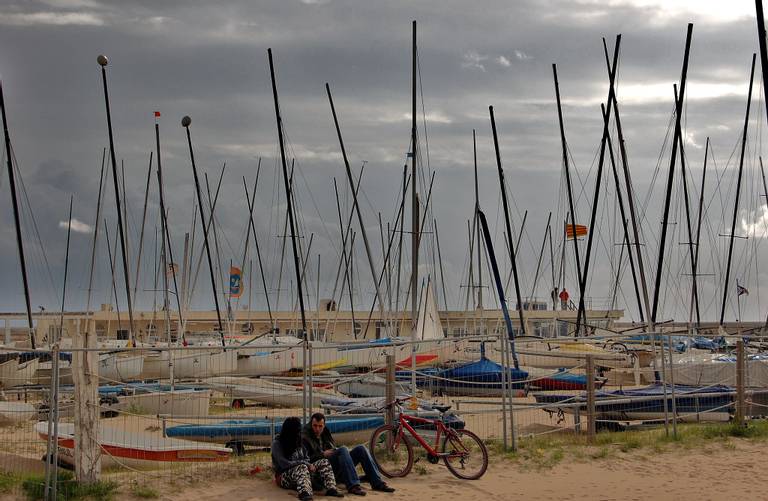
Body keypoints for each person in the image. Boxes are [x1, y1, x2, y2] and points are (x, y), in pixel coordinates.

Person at [302, 412, 395, 496]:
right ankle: (353, 486)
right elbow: (304, 460)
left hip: (334, 466)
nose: (317, 429)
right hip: (321, 470)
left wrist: (334, 450)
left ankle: (378, 483)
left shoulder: (325, 432)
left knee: (361, 448)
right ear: (311, 424)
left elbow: (332, 447)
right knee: (343, 449)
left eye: (320, 426)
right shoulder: (305, 436)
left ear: (324, 425)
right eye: (315, 426)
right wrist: (322, 454)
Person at [272, 416, 344, 501]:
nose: (299, 433)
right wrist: (305, 463)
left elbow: (306, 458)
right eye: (297, 431)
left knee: (324, 462)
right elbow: (283, 464)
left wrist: (309, 465)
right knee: (302, 467)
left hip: (304, 471)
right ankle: (304, 493)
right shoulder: (277, 443)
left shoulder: (299, 440)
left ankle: (331, 488)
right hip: (283, 476)